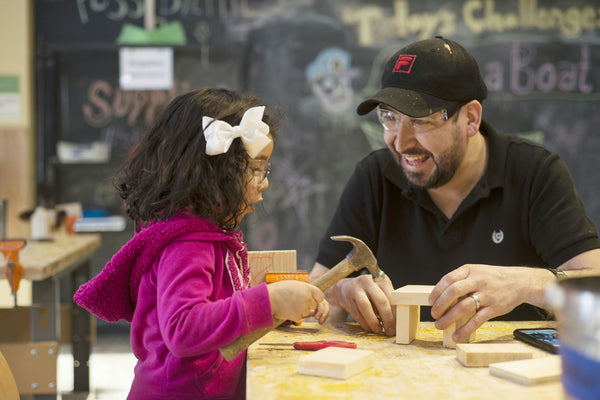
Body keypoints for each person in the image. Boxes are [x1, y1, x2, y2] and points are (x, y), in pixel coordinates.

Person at [309, 36, 600, 343]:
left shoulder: (534, 172)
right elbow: (312, 291)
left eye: (420, 121)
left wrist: (526, 283)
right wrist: (340, 291)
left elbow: (594, 288)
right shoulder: (374, 177)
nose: (401, 141)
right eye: (390, 118)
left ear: (471, 119)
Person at [74, 87, 329, 400]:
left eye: (266, 168)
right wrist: (269, 301)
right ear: (214, 171)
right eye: (256, 168)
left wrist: (278, 307)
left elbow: (217, 310)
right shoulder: (187, 244)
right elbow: (183, 327)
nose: (265, 182)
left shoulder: (210, 237)